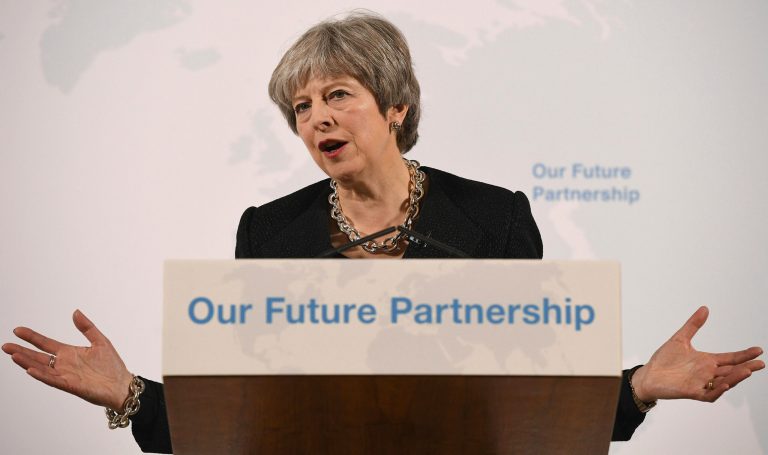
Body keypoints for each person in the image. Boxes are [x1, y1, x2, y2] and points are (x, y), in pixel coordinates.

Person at [2, 11, 764, 454]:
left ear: (395, 105)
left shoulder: (494, 219)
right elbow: (246, 426)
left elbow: (535, 411)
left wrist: (639, 387)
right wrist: (129, 394)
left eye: (338, 94)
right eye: (300, 108)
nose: (316, 118)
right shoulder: (269, 232)